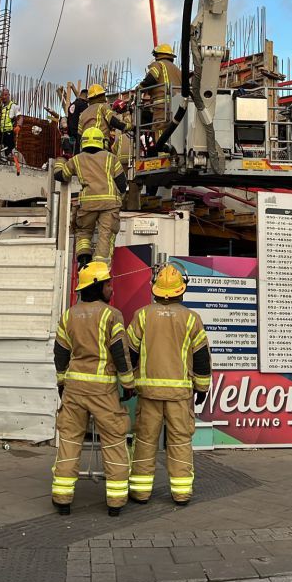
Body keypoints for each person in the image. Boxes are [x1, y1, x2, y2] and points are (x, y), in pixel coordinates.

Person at [52, 261, 135, 516]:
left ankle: (62, 499)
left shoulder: (69, 315)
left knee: (69, 441)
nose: (111, 288)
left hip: (75, 389)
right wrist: (128, 384)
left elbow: (60, 353)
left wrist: (61, 382)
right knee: (114, 442)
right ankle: (115, 503)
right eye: (108, 284)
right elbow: (120, 352)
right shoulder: (112, 315)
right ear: (98, 286)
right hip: (103, 392)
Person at [127, 264, 212, 506]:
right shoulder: (191, 319)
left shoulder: (142, 315)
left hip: (148, 394)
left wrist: (128, 383)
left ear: (155, 289)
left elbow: (129, 353)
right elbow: (202, 358)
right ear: (181, 290)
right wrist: (202, 389)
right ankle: (181, 493)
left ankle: (140, 493)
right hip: (180, 395)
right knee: (180, 442)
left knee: (145, 442)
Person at [54, 127, 127, 269]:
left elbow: (60, 176)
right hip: (110, 205)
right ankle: (100, 269)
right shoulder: (111, 158)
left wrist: (60, 161)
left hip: (88, 205)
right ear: (102, 142)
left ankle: (84, 260)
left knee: (83, 232)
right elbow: (122, 185)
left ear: (83, 142)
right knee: (105, 236)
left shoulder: (77, 160)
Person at [137, 44, 182, 142]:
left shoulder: (158, 64)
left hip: (162, 108)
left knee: (160, 131)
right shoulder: (178, 70)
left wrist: (140, 88)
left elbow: (152, 78)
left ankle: (162, 150)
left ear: (158, 55)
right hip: (178, 108)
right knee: (175, 135)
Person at [0, 88, 23, 162]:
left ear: (9, 95)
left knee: (9, 149)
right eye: (2, 95)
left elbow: (20, 117)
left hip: (8, 132)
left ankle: (13, 162)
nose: (4, 97)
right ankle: (3, 160)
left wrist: (19, 126)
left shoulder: (14, 106)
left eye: (6, 95)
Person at [67, 87, 88, 153]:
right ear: (86, 96)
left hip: (71, 134)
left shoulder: (72, 105)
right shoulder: (83, 105)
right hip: (79, 135)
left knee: (72, 153)